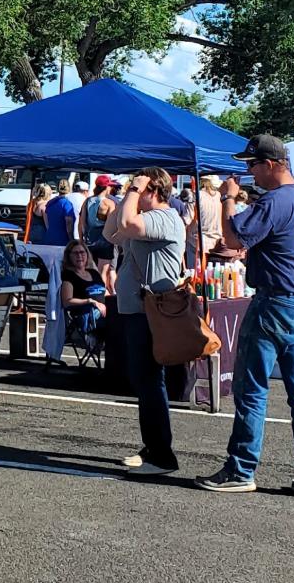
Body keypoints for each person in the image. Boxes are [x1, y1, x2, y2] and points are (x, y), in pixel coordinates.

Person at [194, 135, 294, 498]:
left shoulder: (276, 200)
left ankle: (241, 469)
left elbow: (235, 238)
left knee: (251, 389)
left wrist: (228, 198)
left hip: (276, 302)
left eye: (251, 165)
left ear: (270, 164)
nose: (248, 172)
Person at [104, 167, 185, 477]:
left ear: (155, 191)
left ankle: (162, 455)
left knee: (150, 381)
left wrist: (133, 194)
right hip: (138, 309)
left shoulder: (162, 218)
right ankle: (153, 446)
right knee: (144, 380)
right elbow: (111, 233)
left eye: (140, 188)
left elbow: (126, 223)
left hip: (150, 311)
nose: (133, 191)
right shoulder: (144, 218)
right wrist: (128, 195)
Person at [60, 241, 107, 346]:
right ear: (69, 256)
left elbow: (105, 292)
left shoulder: (94, 273)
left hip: (105, 309)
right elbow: (67, 301)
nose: (79, 256)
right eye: (75, 253)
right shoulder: (69, 276)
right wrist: (91, 301)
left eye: (82, 252)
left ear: (87, 254)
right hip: (87, 312)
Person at [79, 175, 118, 290]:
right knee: (103, 272)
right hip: (105, 241)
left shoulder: (87, 201)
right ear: (106, 187)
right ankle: (99, 297)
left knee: (89, 271)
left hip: (89, 239)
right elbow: (111, 225)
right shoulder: (109, 203)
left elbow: (82, 223)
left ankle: (89, 295)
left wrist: (82, 239)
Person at [40, 179, 77, 246]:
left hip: (49, 238)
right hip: (62, 240)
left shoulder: (50, 202)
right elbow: (69, 224)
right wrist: (72, 240)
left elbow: (47, 223)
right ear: (69, 188)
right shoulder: (66, 204)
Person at [196, 174, 223, 265]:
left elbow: (191, 218)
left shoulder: (198, 195)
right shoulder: (219, 196)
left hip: (200, 240)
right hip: (218, 240)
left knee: (198, 272)